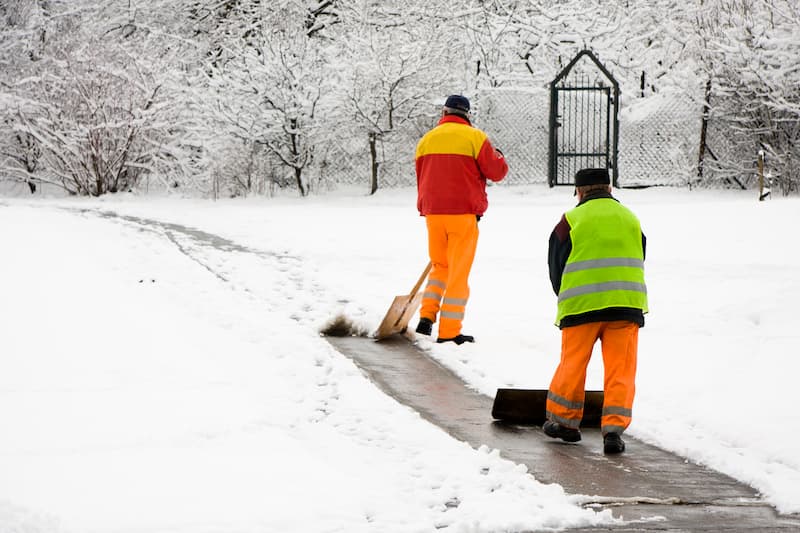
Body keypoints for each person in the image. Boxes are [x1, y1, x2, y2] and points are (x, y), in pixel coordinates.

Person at [542, 168, 647, 454]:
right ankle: (613, 432)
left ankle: (565, 424)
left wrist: (564, 295)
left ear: (579, 191)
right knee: (621, 370)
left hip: (581, 307)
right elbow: (640, 254)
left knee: (573, 364)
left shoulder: (571, 219)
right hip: (626, 305)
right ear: (609, 189)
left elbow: (556, 264)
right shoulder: (631, 219)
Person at [413, 94, 508, 344]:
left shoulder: (426, 140)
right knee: (458, 273)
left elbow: (422, 176)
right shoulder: (475, 137)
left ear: (444, 113)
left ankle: (426, 316)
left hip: (433, 213)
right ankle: (449, 331)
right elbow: (496, 172)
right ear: (467, 113)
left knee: (439, 266)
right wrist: (498, 155)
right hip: (463, 214)